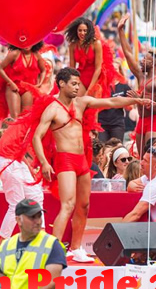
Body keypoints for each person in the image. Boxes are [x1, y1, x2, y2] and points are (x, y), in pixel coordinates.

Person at [32, 67, 148, 263]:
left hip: (82, 161)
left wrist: (135, 101)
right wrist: (43, 162)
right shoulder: (52, 108)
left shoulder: (82, 103)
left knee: (84, 206)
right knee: (67, 205)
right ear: (61, 83)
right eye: (74, 84)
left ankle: (75, 248)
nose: (78, 87)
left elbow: (111, 101)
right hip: (65, 159)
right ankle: (52, 251)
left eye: (78, 84)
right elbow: (37, 136)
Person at [0, 199, 66, 289]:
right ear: (18, 220)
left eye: (39, 216)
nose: (38, 222)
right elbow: (0, 280)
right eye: (32, 217)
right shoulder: (6, 246)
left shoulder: (52, 244)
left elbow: (52, 282)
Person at [117, 14, 156, 146]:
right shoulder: (141, 76)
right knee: (141, 160)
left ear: (152, 64)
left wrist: (140, 99)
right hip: (142, 120)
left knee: (151, 155)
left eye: (145, 59)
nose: (141, 61)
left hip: (155, 121)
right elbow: (128, 55)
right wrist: (120, 31)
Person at [0, 120, 45, 242]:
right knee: (16, 204)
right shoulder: (29, 122)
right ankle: (2, 244)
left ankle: (41, 239)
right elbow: (32, 146)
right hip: (6, 160)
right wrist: (44, 162)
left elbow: (20, 151)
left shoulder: (31, 123)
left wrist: (30, 167)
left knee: (36, 195)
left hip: (16, 160)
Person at [0, 43, 46, 119]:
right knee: (15, 118)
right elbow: (0, 68)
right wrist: (11, 82)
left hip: (28, 89)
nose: (27, 45)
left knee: (25, 117)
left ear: (35, 42)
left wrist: (40, 83)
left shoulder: (36, 55)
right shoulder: (14, 54)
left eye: (30, 42)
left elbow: (43, 70)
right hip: (13, 88)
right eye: (25, 42)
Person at [123, 148, 156, 222]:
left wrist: (111, 232)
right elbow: (131, 184)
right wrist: (132, 186)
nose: (141, 163)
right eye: (142, 159)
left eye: (145, 161)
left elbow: (135, 215)